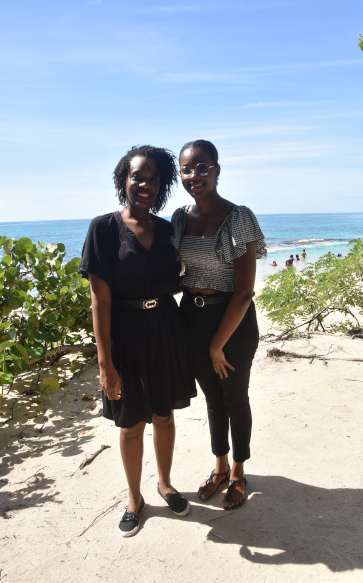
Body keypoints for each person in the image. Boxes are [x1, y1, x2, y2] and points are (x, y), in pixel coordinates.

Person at [79, 146, 196, 537]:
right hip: (124, 336)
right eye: (137, 176)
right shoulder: (103, 228)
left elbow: (186, 271)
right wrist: (104, 364)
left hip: (165, 327)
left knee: (164, 415)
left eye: (154, 178)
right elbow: (100, 299)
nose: (145, 184)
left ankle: (164, 484)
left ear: (162, 186)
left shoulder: (166, 230)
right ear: (123, 180)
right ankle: (134, 498)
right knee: (129, 423)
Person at [171, 139, 265, 510]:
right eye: (186, 169)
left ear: (217, 170)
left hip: (232, 322)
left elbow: (244, 291)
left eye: (202, 167)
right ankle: (220, 466)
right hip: (192, 318)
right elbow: (174, 269)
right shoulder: (180, 218)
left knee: (235, 398)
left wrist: (216, 345)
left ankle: (240, 472)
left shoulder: (238, 217)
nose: (194, 175)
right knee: (212, 399)